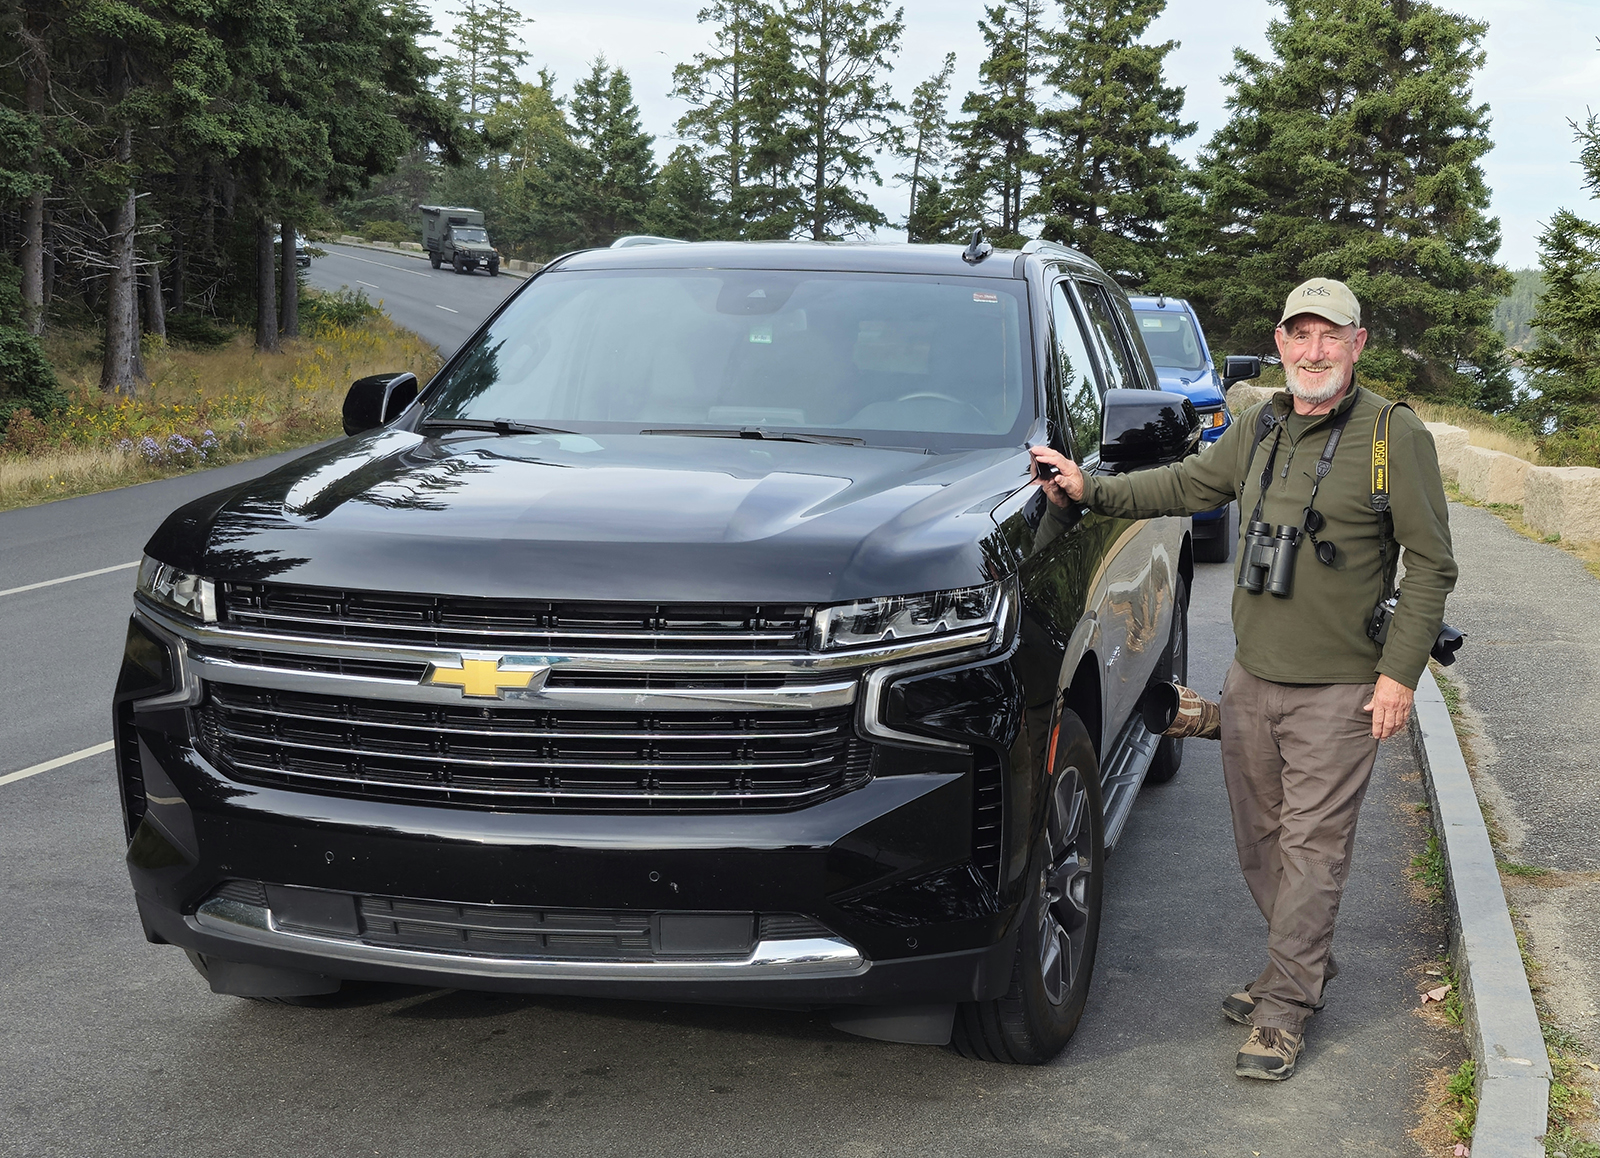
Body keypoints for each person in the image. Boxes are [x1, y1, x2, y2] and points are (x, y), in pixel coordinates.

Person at [1029, 277, 1458, 1081]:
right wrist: (1092, 491)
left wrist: (1399, 676)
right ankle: (1304, 959)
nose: (1315, 351)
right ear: (1281, 342)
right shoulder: (1260, 424)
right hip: (1253, 679)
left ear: (1357, 344)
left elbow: (1432, 564)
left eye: (1331, 336)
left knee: (1312, 853)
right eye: (1301, 334)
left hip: (1342, 687)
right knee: (1260, 845)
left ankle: (1285, 1009)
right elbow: (1188, 484)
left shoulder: (1392, 436)